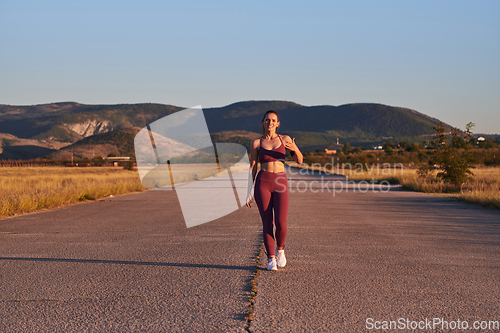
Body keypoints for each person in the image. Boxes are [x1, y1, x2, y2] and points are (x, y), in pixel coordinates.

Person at [246, 110, 303, 271]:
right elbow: (252, 167)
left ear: (277, 123)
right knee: (267, 223)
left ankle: (280, 250)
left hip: (280, 182)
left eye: (273, 120)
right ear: (263, 122)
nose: (270, 123)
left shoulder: (284, 140)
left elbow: (299, 160)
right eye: (267, 120)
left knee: (281, 223)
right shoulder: (256, 143)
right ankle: (271, 258)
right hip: (263, 182)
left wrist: (294, 148)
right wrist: (248, 191)